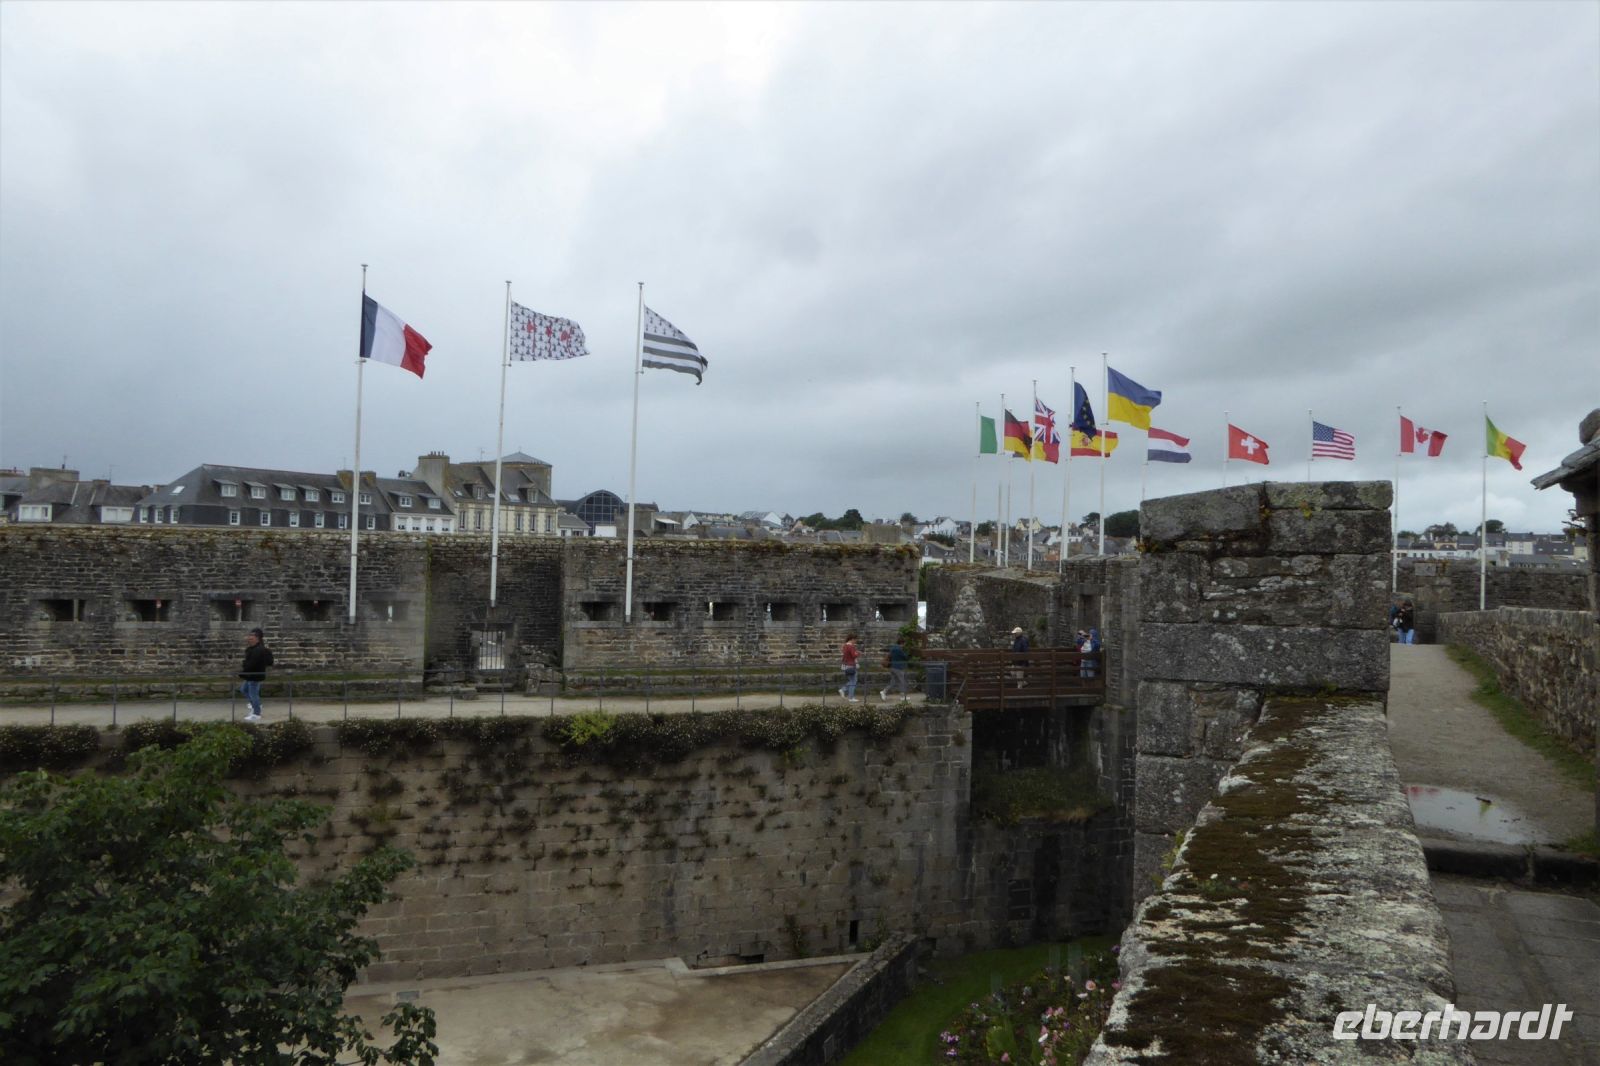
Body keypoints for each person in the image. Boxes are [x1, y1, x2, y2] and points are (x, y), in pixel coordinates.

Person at [238, 627, 273, 722]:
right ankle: (256, 705)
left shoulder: (259, 650)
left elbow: (252, 664)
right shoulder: (252, 649)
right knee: (243, 689)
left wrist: (243, 672)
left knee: (253, 694)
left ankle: (256, 714)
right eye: (249, 636)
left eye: (251, 636)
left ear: (257, 638)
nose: (249, 638)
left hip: (254, 675)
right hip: (250, 675)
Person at [839, 633, 861, 702]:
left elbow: (845, 656)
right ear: (852, 639)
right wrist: (858, 653)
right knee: (853, 682)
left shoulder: (845, 646)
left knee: (852, 681)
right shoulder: (851, 646)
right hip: (851, 665)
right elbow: (854, 655)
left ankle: (843, 690)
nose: (856, 641)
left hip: (846, 665)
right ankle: (851, 697)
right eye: (855, 640)